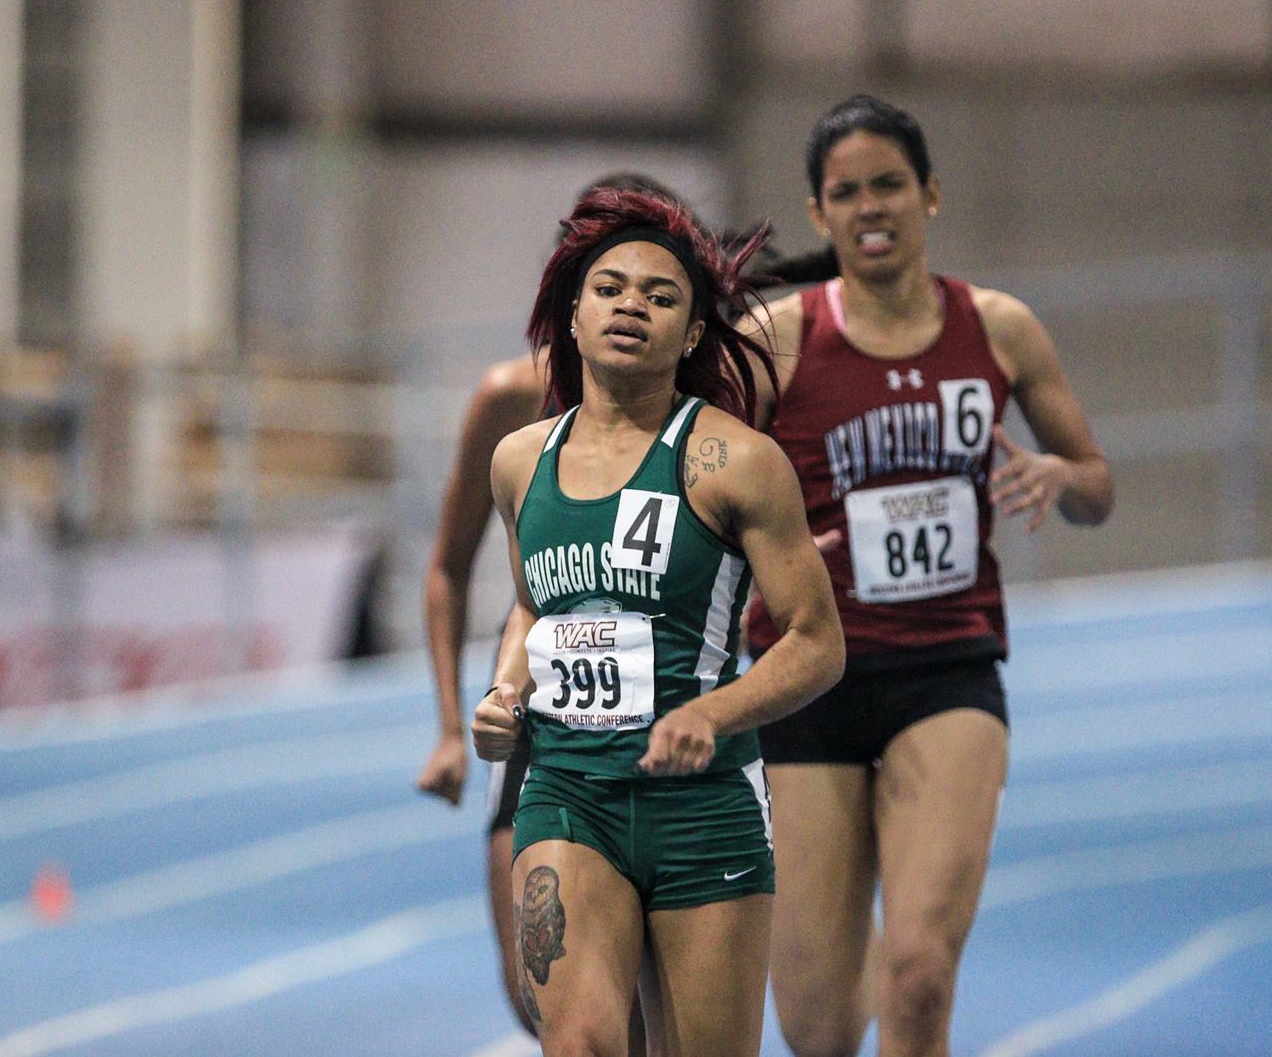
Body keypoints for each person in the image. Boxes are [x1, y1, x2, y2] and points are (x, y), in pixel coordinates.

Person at [746, 95, 1115, 1057]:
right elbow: (700, 480)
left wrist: (1057, 475)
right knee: (817, 1028)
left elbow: (1097, 485)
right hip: (804, 677)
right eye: (846, 192)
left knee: (919, 973)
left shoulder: (999, 329)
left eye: (890, 185)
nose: (871, 207)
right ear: (820, 214)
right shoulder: (779, 341)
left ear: (930, 195)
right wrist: (761, 561)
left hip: (945, 668)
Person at [471, 187, 843, 1056]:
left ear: (692, 334)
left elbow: (817, 642)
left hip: (703, 807)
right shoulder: (520, 462)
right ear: (571, 315)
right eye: (609, 288)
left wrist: (712, 713)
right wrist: (504, 691)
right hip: (568, 792)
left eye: (661, 294)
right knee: (581, 1043)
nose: (631, 304)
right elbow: (534, 602)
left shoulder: (736, 463)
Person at [415, 173, 691, 1044]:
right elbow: (446, 569)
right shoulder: (508, 400)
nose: (628, 303)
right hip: (544, 708)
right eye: (608, 278)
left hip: (674, 707)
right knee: (539, 992)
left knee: (656, 1011)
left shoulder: (707, 418)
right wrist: (453, 728)